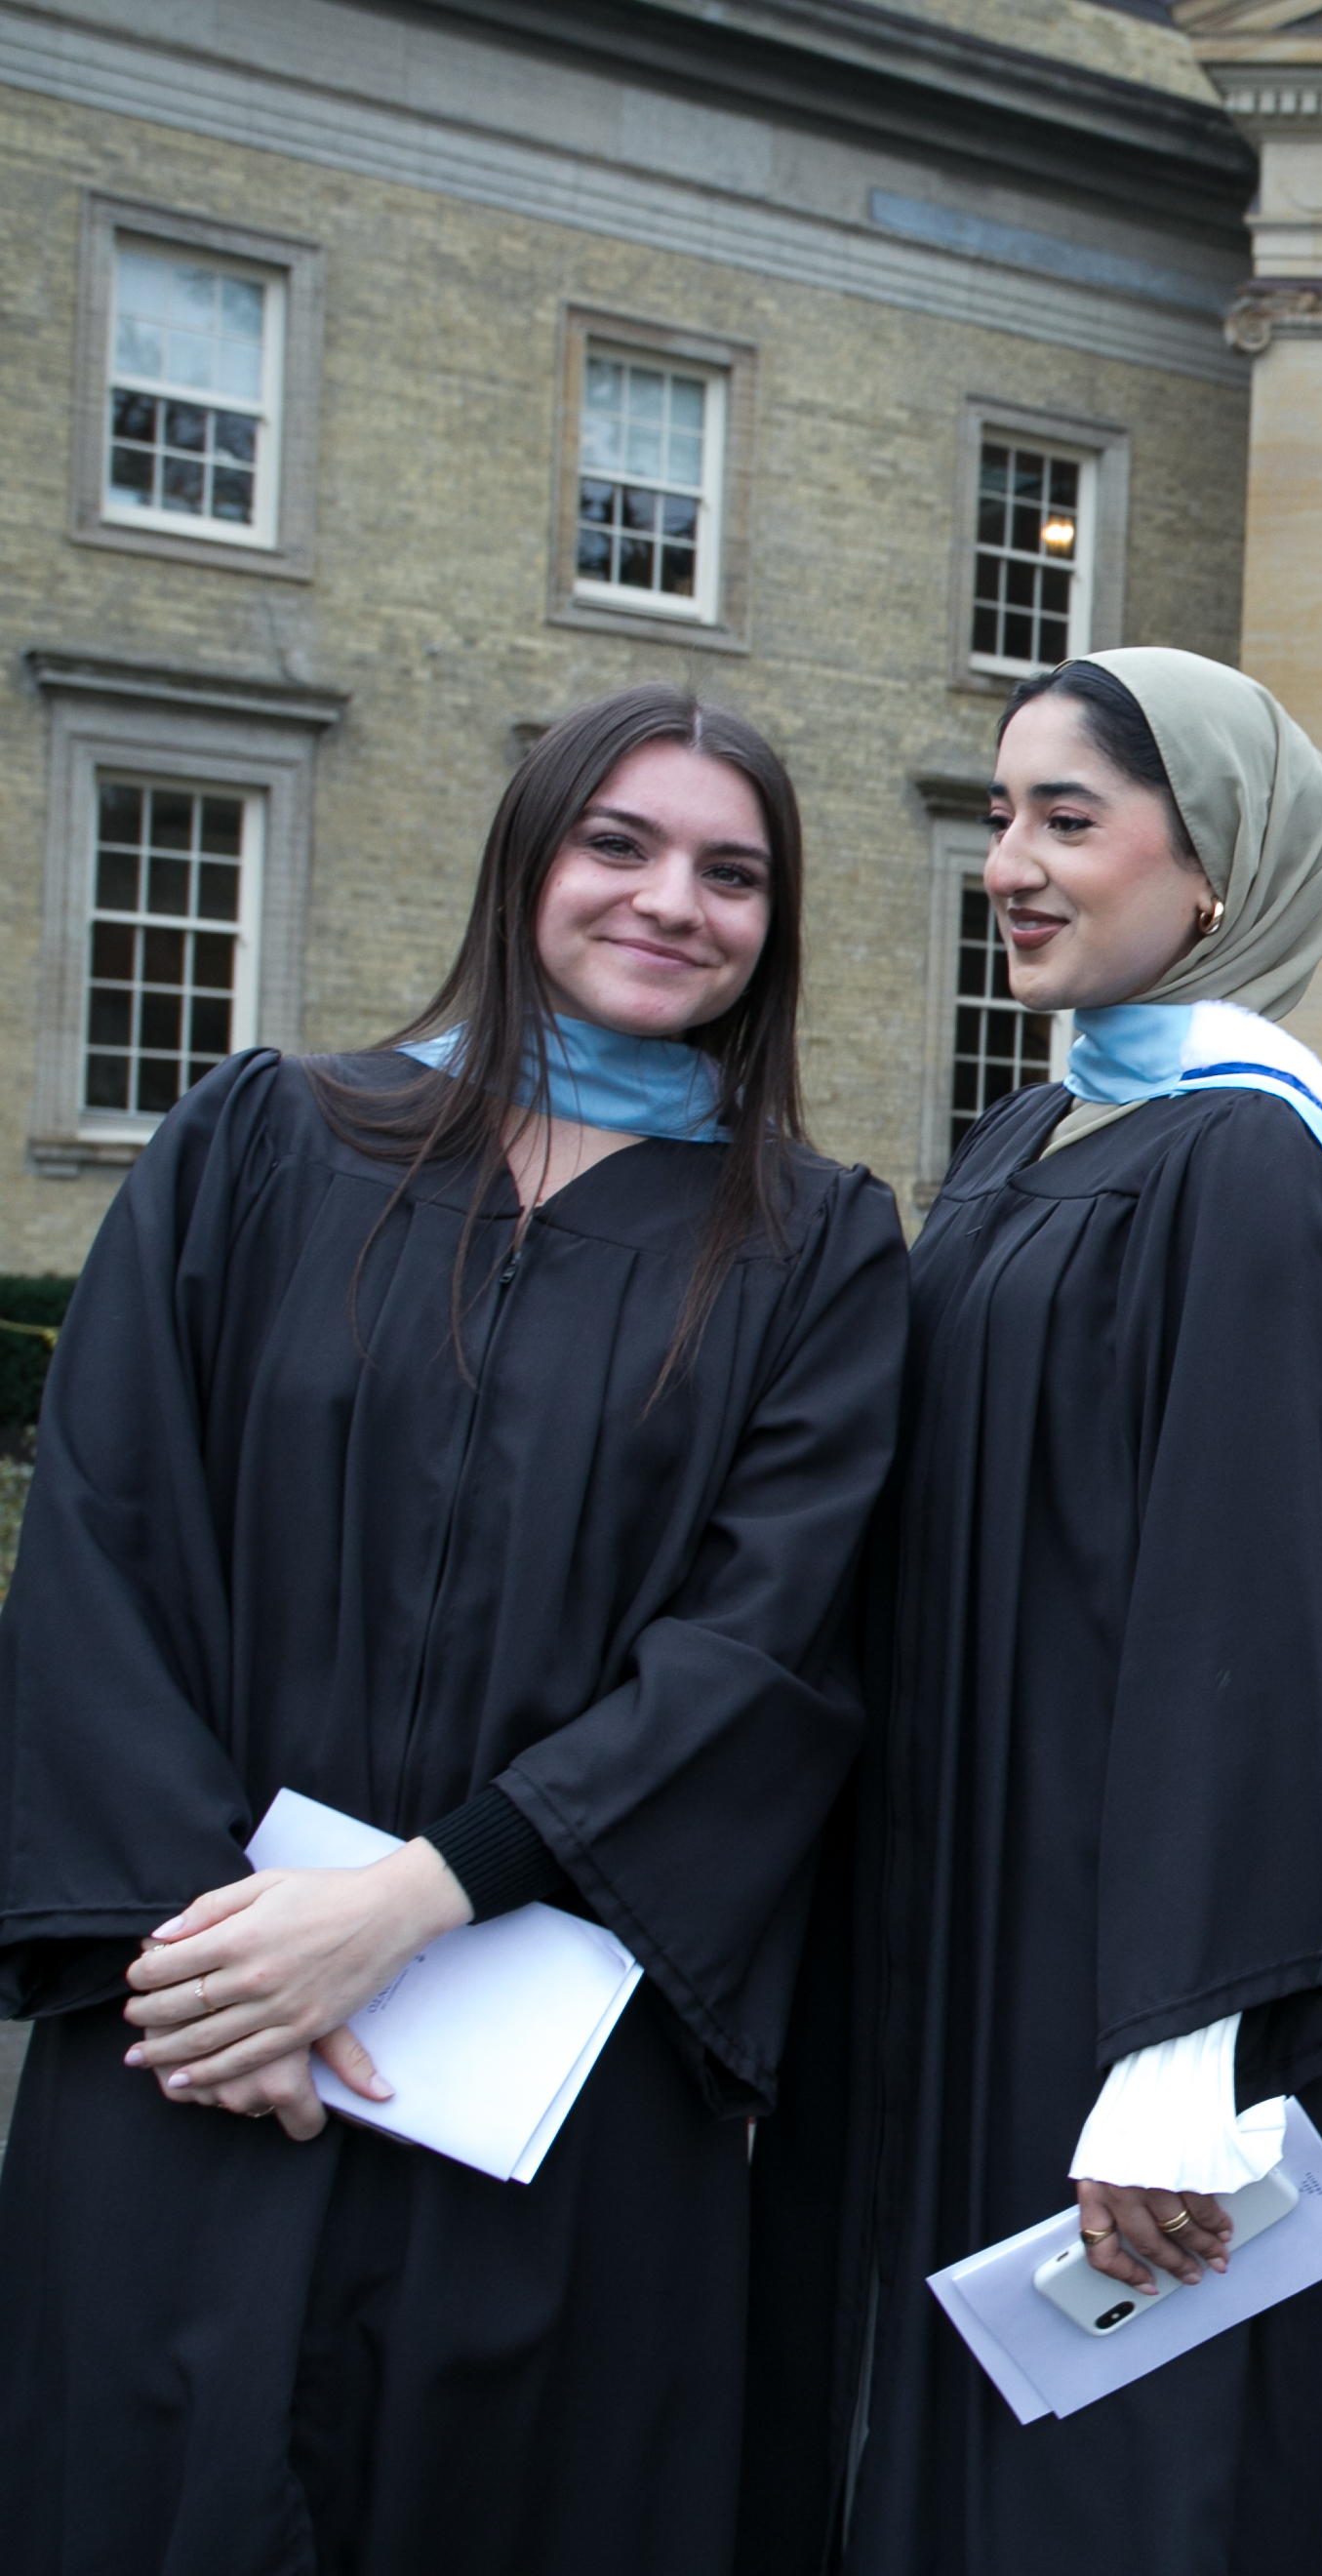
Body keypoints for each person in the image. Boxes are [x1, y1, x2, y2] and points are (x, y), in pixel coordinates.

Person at [0, 687, 907, 2573]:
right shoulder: (267, 1145)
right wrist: (214, 1960)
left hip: (549, 2066)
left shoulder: (811, 1248)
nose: (674, 902)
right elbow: (106, 1540)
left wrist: (422, 1894)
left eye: (732, 874)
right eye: (621, 846)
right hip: (194, 2033)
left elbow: (762, 1648)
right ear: (529, 860)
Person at [816, 649, 1322, 2575]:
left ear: (1215, 872)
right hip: (964, 1919)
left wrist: (1184, 2057)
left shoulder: (1251, 1159)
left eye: (1068, 819)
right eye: (1002, 815)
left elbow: (1253, 1611)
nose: (1008, 860)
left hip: (1122, 1970)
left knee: (1113, 2481)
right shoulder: (1035, 1140)